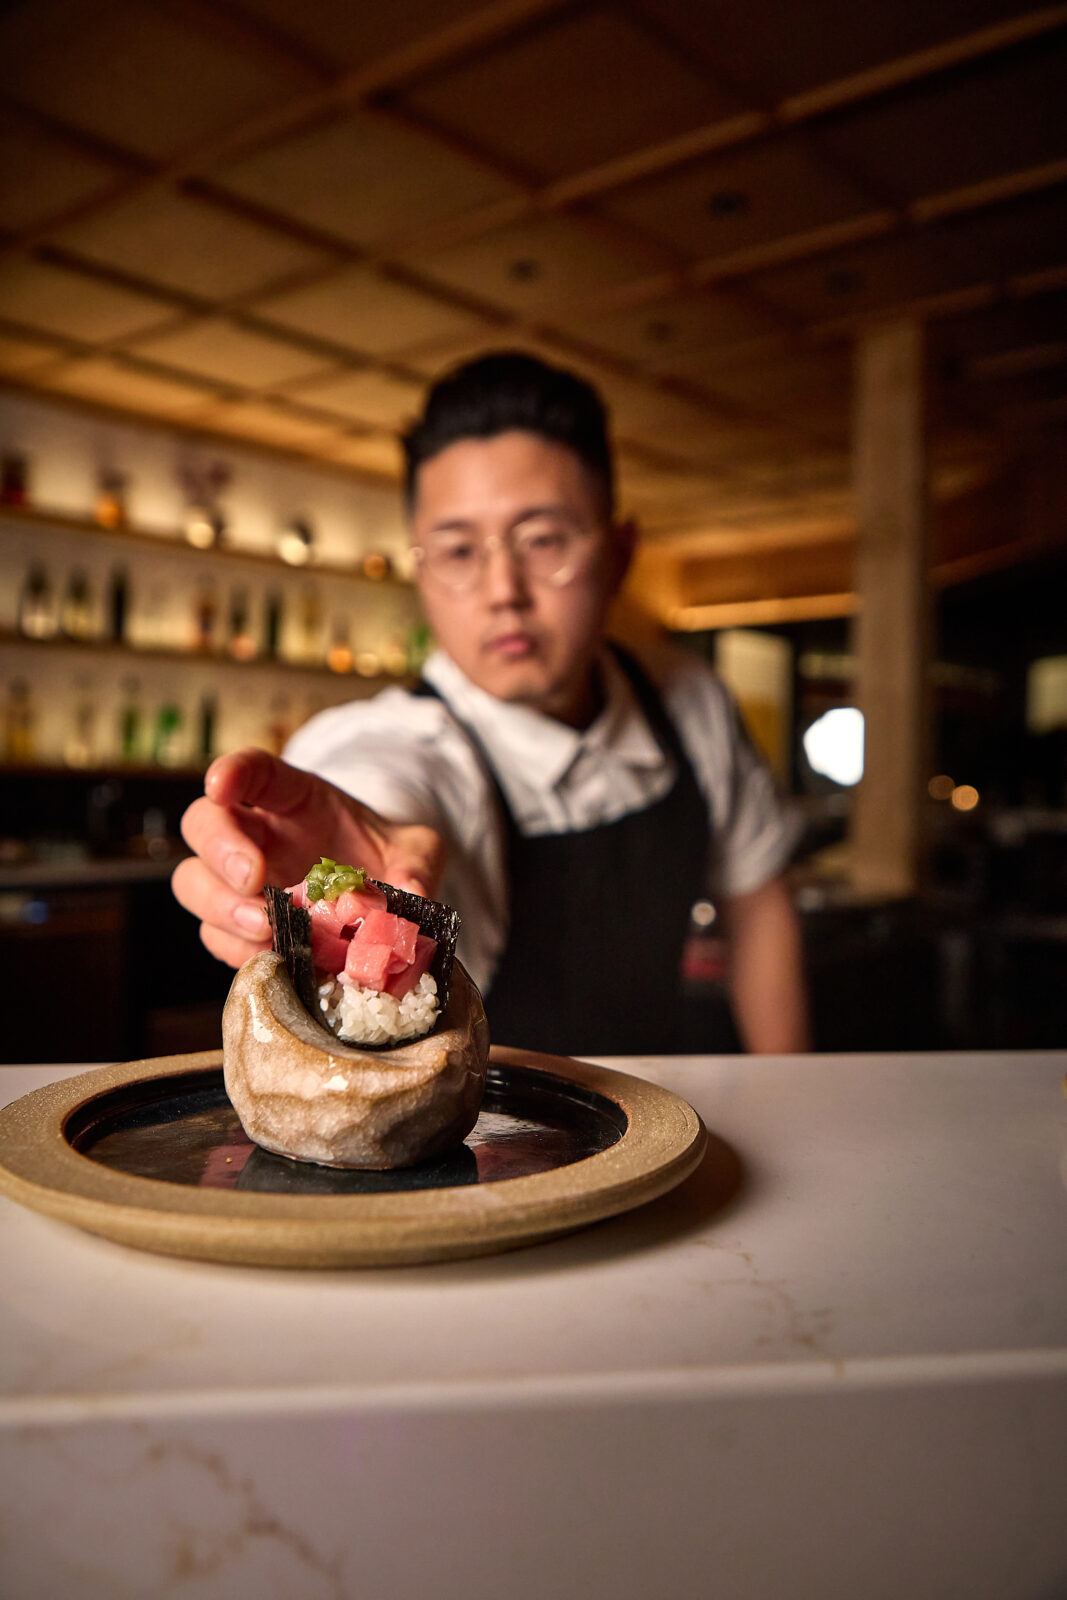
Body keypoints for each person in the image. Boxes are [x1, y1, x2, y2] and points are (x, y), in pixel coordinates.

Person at [173, 352, 810, 1054]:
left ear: (620, 552)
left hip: (666, 1119)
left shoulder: (691, 701)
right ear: (420, 571)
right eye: (457, 551)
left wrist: (797, 1099)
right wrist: (349, 856)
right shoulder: (409, 737)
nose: (501, 588)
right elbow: (380, 775)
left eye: (542, 540)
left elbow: (758, 905)